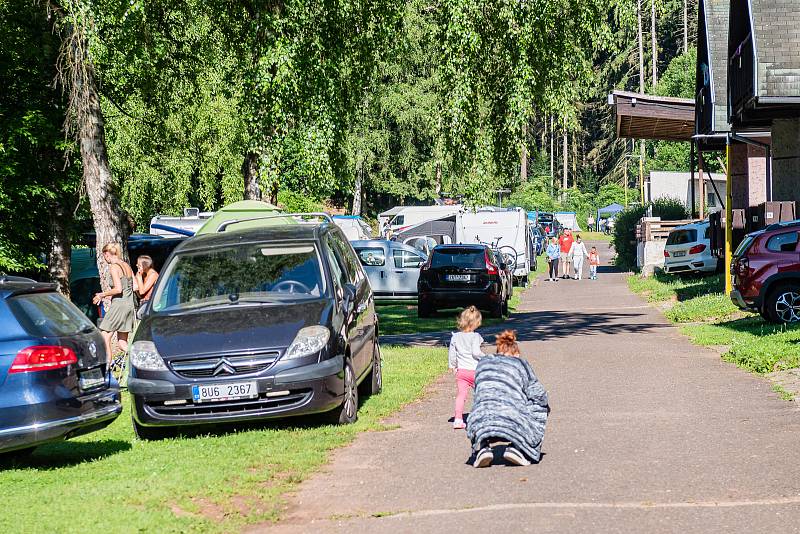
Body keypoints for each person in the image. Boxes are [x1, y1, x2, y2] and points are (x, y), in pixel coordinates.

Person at [467, 330, 549, 467]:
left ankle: (482, 447)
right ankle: (519, 448)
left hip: (479, 420)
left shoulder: (483, 364)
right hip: (512, 418)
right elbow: (538, 394)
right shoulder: (520, 364)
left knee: (484, 402)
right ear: (516, 354)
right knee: (538, 403)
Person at [92, 243, 136, 364]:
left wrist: (102, 294)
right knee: (122, 343)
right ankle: (142, 358)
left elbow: (118, 289)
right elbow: (135, 287)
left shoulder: (114, 267)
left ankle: (107, 368)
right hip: (129, 304)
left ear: (107, 254)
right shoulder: (126, 265)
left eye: (103, 256)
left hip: (119, 306)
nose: (104, 259)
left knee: (105, 336)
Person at [448, 306, 486, 430]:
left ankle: (458, 419)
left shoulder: (455, 337)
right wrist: (485, 357)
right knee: (480, 394)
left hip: (462, 372)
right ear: (476, 323)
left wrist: (452, 365)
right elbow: (476, 352)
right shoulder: (476, 337)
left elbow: (452, 354)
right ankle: (481, 418)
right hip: (475, 371)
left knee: (461, 395)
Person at [134, 255, 159, 319]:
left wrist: (139, 278)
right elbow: (140, 295)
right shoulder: (144, 274)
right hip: (144, 302)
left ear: (144, 265)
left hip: (150, 304)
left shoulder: (153, 274)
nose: (136, 265)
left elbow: (142, 291)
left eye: (138, 264)